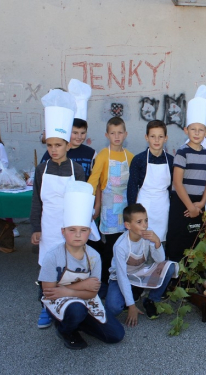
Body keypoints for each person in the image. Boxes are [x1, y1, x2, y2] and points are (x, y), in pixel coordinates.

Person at [39, 181, 124, 350]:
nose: (78, 235)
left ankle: (79, 320)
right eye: (72, 230)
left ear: (89, 232)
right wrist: (82, 285)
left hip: (83, 298)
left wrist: (66, 290)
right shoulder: (52, 255)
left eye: (83, 230)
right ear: (63, 232)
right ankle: (65, 329)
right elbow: (49, 292)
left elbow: (93, 291)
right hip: (59, 300)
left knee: (116, 335)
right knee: (76, 309)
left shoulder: (93, 256)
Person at [31, 89, 86, 329]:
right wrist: (35, 227)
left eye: (58, 145)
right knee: (47, 270)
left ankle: (68, 304)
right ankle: (46, 307)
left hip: (70, 228)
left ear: (67, 144)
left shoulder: (78, 170)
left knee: (69, 268)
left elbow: (82, 204)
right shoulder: (41, 170)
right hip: (48, 228)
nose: (54, 149)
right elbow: (37, 201)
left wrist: (80, 231)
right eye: (50, 145)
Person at [106, 204, 177, 325]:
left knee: (169, 267)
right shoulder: (120, 246)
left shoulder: (148, 236)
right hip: (120, 276)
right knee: (114, 308)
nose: (144, 225)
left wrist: (157, 242)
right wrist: (131, 306)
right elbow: (122, 276)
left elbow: (160, 260)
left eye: (146, 220)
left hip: (140, 272)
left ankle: (150, 300)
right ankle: (132, 295)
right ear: (128, 225)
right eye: (139, 222)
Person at [165, 91, 206, 262]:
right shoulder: (182, 152)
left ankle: (192, 281)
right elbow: (177, 183)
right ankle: (174, 280)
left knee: (196, 240)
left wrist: (201, 204)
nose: (196, 133)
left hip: (199, 203)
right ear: (186, 130)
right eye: (193, 129)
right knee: (179, 239)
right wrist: (190, 207)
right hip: (181, 202)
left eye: (201, 130)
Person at [87, 117, 134, 296]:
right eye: (112, 133)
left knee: (124, 245)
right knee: (110, 247)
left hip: (125, 206)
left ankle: (122, 278)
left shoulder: (129, 157)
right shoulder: (102, 156)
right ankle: (106, 281)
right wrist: (87, 202)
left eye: (120, 132)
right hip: (108, 208)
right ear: (107, 135)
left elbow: (133, 183)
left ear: (125, 134)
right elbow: (94, 180)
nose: (116, 136)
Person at [127, 120, 174, 243]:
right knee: (142, 242)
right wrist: (132, 213)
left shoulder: (171, 160)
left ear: (166, 138)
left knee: (160, 241)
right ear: (146, 137)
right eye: (153, 136)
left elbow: (172, 188)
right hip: (144, 207)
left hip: (163, 208)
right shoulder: (138, 160)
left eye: (160, 136)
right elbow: (132, 187)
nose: (156, 140)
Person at [0, 134, 19, 237]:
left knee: (4, 203)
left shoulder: (0, 146)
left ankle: (12, 227)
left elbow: (4, 162)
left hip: (1, 178)